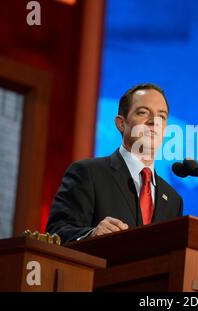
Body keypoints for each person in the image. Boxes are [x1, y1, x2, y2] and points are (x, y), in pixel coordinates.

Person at [46, 83, 183, 244]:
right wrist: (91, 235)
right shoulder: (88, 173)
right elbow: (55, 232)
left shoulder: (174, 200)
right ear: (121, 123)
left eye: (162, 116)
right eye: (143, 112)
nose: (154, 122)